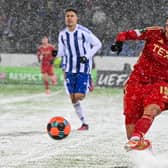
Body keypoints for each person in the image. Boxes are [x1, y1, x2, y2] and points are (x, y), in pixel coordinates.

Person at [111, 19, 168, 150]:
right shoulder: (154, 33)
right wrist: (119, 42)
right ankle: (143, 143)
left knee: (152, 109)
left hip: (161, 83)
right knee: (130, 134)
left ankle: (137, 137)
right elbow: (126, 34)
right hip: (137, 82)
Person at [57, 8, 102, 130]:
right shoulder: (62, 34)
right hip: (69, 69)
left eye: (72, 16)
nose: (69, 18)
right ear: (65, 18)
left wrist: (87, 56)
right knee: (72, 98)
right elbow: (61, 52)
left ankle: (89, 81)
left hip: (82, 68)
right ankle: (84, 123)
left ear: (77, 18)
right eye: (67, 16)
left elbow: (98, 44)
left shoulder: (83, 32)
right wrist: (57, 58)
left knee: (79, 96)